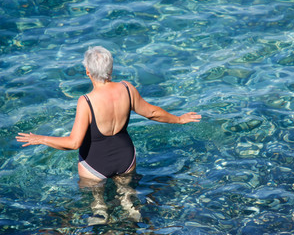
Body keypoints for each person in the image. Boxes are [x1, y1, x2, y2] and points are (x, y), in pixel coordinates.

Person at [16, 46, 201, 182]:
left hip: (94, 164)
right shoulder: (127, 89)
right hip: (126, 158)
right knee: (130, 203)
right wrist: (179, 119)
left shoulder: (86, 101)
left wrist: (41, 139)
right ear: (110, 70)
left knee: (98, 211)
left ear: (88, 72)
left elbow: (74, 143)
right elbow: (152, 113)